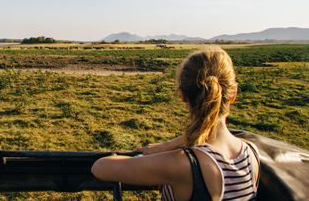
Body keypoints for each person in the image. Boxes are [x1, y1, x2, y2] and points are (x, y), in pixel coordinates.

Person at [91, 47, 260, 201]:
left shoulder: (184, 165)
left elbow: (100, 167)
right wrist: (169, 145)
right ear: (233, 94)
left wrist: (163, 154)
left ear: (183, 95)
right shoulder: (251, 154)